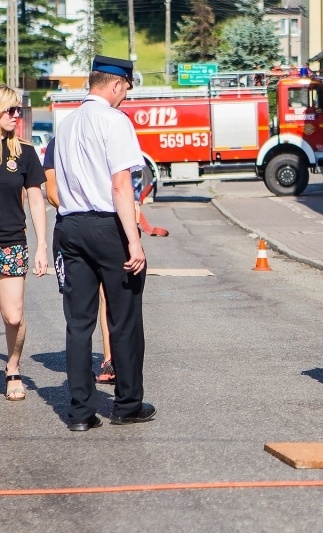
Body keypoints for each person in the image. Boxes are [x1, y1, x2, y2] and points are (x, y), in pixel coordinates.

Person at [54, 55, 154, 431]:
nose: (126, 96)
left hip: (71, 225)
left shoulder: (66, 125)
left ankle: (80, 414)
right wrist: (134, 241)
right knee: (123, 318)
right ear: (115, 84)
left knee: (78, 323)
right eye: (126, 88)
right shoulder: (115, 122)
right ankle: (128, 405)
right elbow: (120, 185)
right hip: (108, 227)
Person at [43, 138, 115, 385]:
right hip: (69, 229)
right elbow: (51, 192)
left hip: (102, 228)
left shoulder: (102, 140)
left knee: (109, 296)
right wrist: (79, 213)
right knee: (78, 305)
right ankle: (82, 372)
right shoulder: (58, 144)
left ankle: (109, 359)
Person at [0, 84, 48, 401]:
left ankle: (13, 367)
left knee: (13, 316)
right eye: (11, 110)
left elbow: (35, 201)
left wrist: (42, 244)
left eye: (19, 110)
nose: (17, 116)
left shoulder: (25, 153)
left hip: (11, 242)